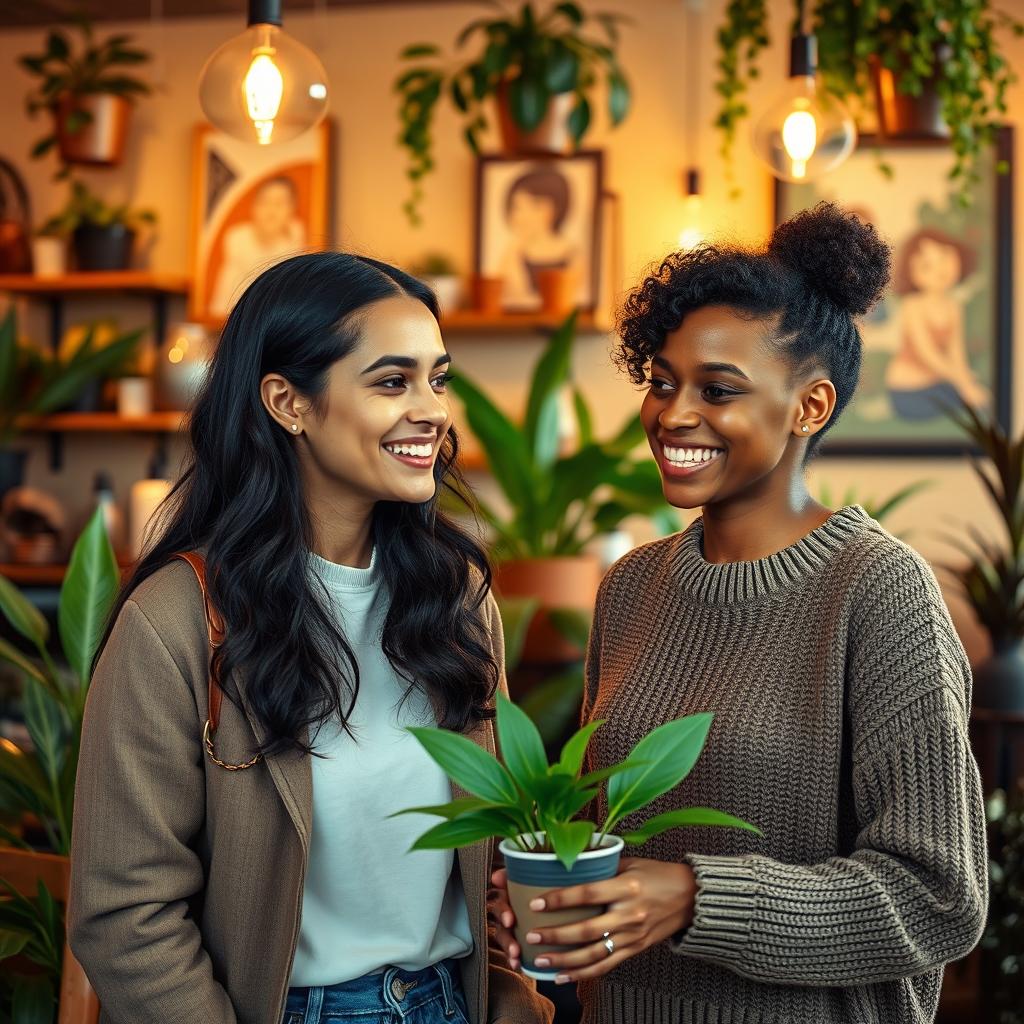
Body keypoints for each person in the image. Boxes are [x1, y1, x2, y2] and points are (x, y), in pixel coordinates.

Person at [491, 203, 987, 1023]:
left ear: (810, 407)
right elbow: (599, 831)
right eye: (661, 381)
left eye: (717, 390)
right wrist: (542, 890)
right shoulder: (632, 585)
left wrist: (692, 897)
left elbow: (940, 896)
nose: (673, 414)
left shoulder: (879, 590)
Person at [69, 252, 553, 1024]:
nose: (431, 409)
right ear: (288, 403)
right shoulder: (176, 623)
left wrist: (508, 986)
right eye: (392, 382)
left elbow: (490, 848)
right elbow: (124, 915)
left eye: (438, 378)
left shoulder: (457, 602)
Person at [885, 226, 988, 419]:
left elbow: (956, 352)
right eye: (926, 265)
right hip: (908, 390)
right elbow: (928, 354)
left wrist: (966, 380)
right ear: (911, 272)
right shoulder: (912, 306)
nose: (939, 269)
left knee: (979, 396)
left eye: (944, 257)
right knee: (963, 400)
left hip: (938, 383)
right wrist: (963, 382)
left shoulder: (954, 307)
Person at [209, 175, 307, 318]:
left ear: (292, 209)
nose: (271, 210)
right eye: (265, 202)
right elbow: (222, 301)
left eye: (280, 203)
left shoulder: (294, 248)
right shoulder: (237, 242)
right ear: (253, 207)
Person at [497, 164, 582, 310]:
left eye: (523, 207)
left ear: (550, 208)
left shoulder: (573, 255)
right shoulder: (514, 254)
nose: (518, 216)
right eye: (515, 208)